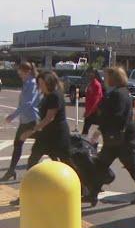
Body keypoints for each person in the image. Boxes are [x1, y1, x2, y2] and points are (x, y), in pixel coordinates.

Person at [87, 67, 135, 206]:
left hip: (123, 138)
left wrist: (100, 128)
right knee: (101, 165)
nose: (105, 79)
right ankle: (93, 194)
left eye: (107, 76)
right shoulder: (121, 92)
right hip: (115, 138)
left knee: (131, 166)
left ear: (113, 78)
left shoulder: (118, 94)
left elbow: (117, 116)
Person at [10, 71, 72, 205]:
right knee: (32, 162)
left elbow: (49, 118)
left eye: (42, 84)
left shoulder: (55, 96)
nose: (40, 86)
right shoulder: (47, 95)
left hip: (58, 136)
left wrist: (30, 131)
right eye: (39, 84)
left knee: (67, 163)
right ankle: (26, 195)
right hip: (46, 136)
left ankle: (81, 189)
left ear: (49, 83)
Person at [1, 62, 41, 181]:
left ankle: (12, 171)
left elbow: (27, 104)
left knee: (45, 144)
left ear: (27, 71)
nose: (18, 73)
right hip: (26, 120)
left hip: (31, 120)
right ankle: (11, 171)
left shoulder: (32, 83)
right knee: (18, 144)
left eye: (20, 70)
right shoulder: (27, 83)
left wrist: (12, 116)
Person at [82, 69, 104, 135]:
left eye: (90, 73)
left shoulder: (96, 85)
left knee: (102, 127)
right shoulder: (90, 84)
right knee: (85, 129)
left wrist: (89, 112)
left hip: (95, 111)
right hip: (90, 110)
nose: (88, 75)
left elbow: (96, 100)